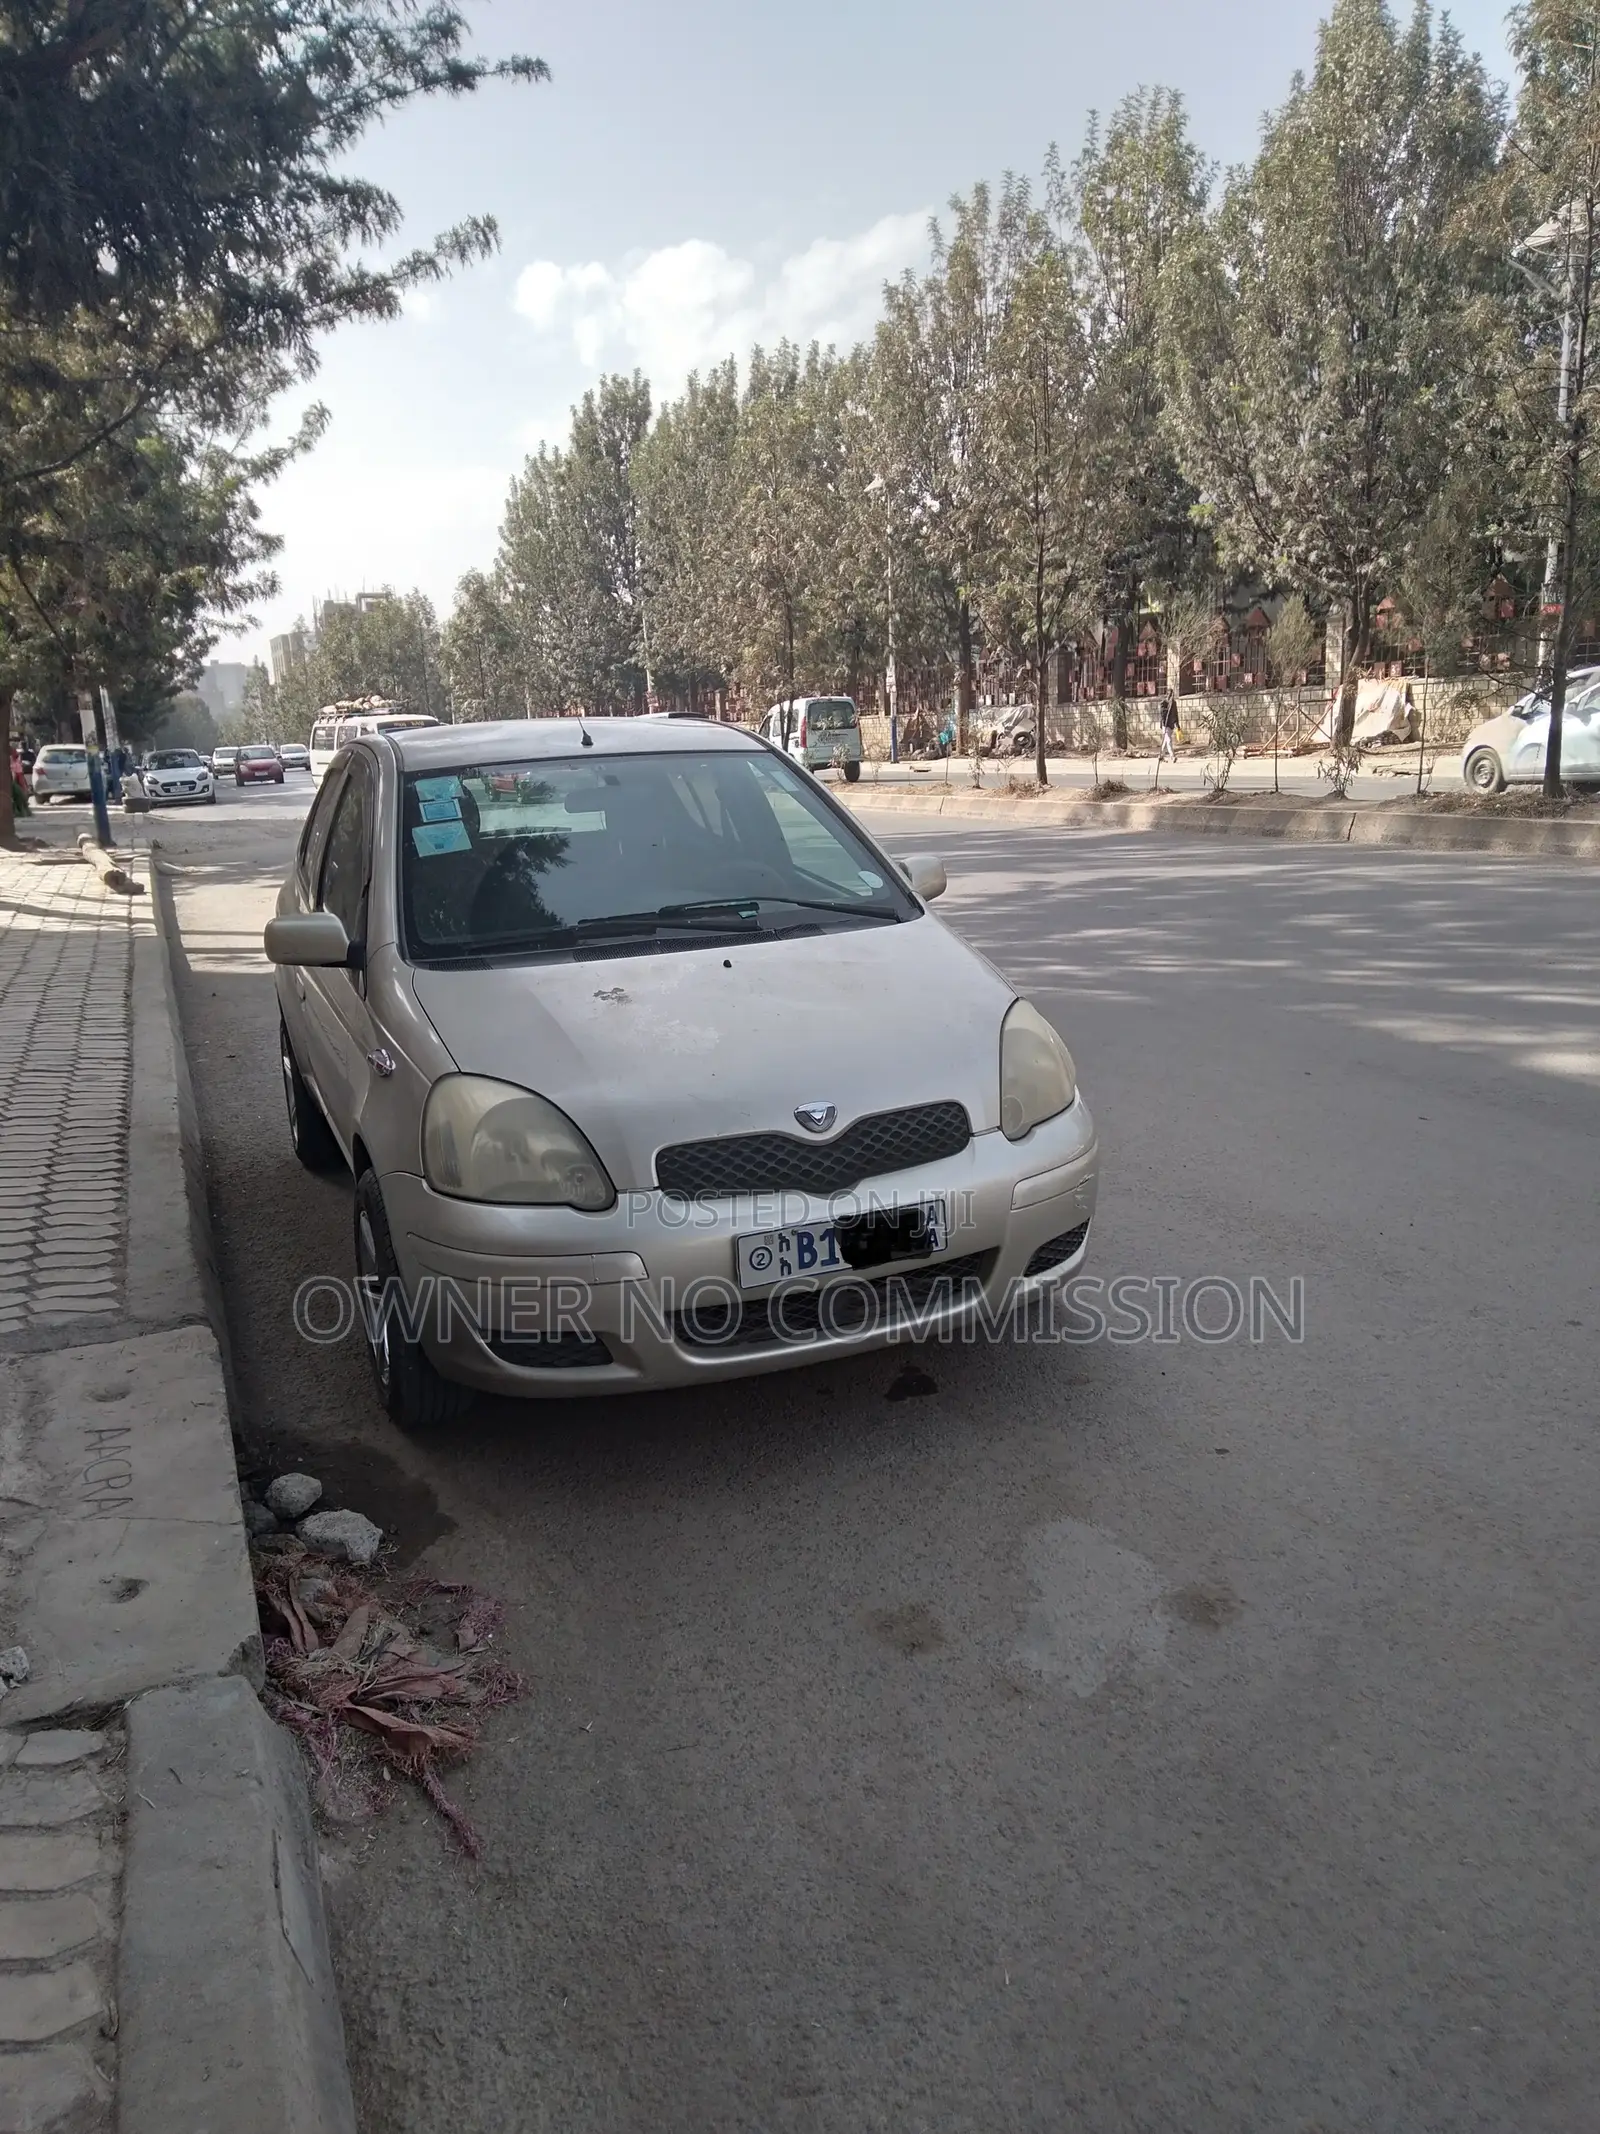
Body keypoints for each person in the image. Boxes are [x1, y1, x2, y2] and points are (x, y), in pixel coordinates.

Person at [1159, 692, 1180, 761]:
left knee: (1165, 740)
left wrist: (1177, 724)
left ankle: (1161, 755)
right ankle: (1172, 756)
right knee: (1169, 740)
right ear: (1167, 695)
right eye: (1170, 695)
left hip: (1171, 724)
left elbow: (1175, 713)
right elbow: (1162, 713)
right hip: (1165, 724)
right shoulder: (1163, 702)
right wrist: (1168, 709)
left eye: (1172, 695)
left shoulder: (1174, 703)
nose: (1171, 696)